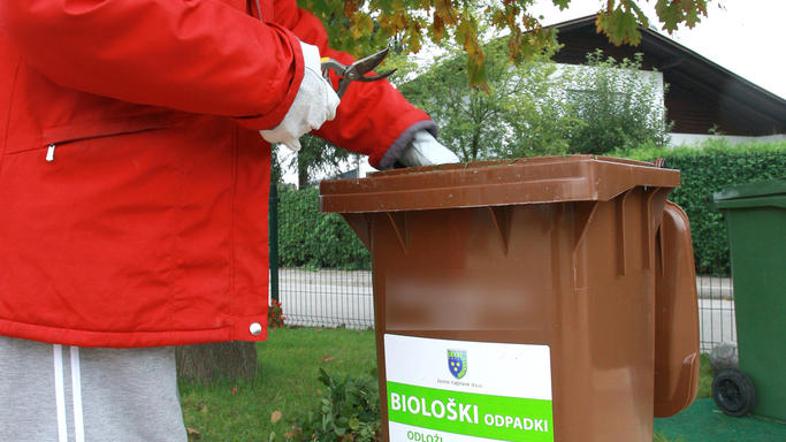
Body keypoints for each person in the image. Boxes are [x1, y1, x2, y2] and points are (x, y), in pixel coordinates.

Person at [0, 1, 457, 440]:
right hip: (77, 250)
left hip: (120, 244)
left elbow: (297, 50)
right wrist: (279, 75)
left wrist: (398, 130)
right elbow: (65, 9)